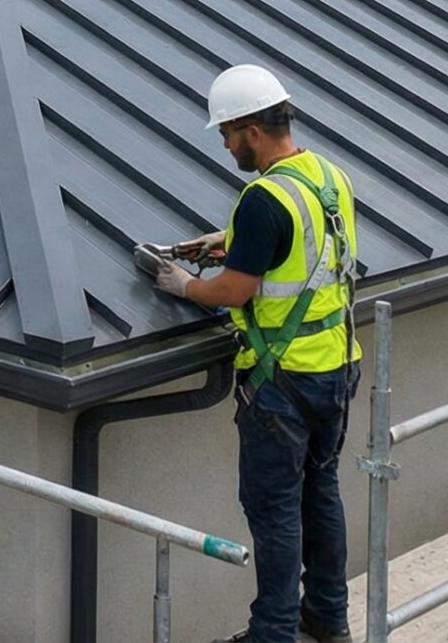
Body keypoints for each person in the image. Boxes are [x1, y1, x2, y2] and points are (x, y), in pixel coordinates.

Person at [137, 65, 361, 643]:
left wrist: (181, 284)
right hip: (335, 366)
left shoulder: (260, 199)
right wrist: (230, 243)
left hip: (281, 383)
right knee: (322, 489)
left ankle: (274, 633)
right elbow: (303, 250)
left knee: (275, 512)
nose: (226, 146)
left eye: (227, 135)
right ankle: (328, 619)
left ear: (251, 130)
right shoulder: (329, 178)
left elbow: (235, 292)